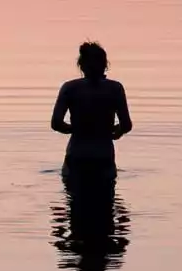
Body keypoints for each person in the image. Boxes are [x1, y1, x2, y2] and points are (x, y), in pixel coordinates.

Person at [51, 41, 132, 179]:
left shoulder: (69, 88)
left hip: (77, 156)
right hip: (103, 157)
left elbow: (56, 123)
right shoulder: (115, 88)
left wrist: (76, 128)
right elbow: (126, 125)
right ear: (105, 65)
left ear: (81, 66)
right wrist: (114, 132)